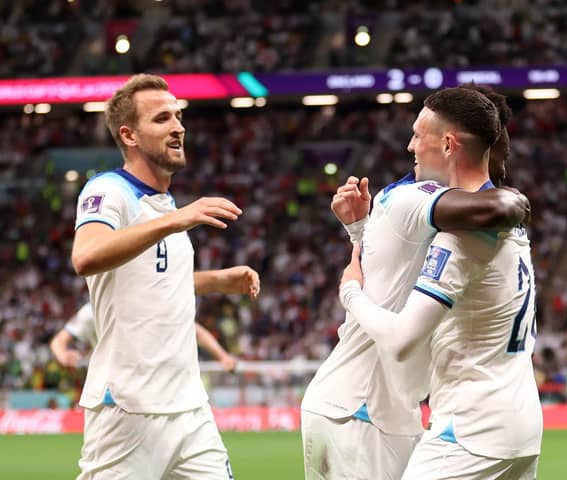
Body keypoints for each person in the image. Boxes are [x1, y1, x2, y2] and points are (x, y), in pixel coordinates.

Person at [300, 87, 531, 479]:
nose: (409, 145)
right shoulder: (421, 201)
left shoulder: (410, 201)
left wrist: (358, 231)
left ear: (449, 143)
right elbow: (497, 208)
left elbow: (388, 261)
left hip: (392, 411)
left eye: (416, 135)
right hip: (362, 407)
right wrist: (518, 202)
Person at [71, 74, 259, 479]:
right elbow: (85, 256)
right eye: (161, 118)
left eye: (177, 115)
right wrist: (176, 220)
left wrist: (217, 281)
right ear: (130, 135)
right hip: (128, 410)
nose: (178, 126)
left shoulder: (165, 205)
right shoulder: (108, 190)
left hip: (190, 408)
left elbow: (154, 280)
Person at [50, 301, 239, 372]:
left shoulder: (151, 303)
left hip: (153, 381)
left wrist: (222, 356)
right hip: (111, 388)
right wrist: (63, 355)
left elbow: (192, 329)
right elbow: (58, 342)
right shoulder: (90, 312)